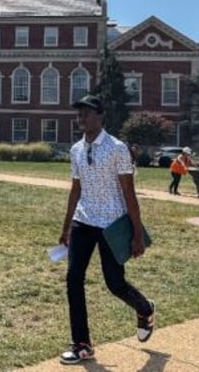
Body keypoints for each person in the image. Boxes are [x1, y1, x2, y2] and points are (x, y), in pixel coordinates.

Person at [58, 95, 155, 365]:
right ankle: (82, 344)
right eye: (79, 114)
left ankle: (144, 308)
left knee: (114, 283)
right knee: (73, 278)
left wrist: (137, 234)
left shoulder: (117, 148)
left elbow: (129, 193)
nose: (82, 119)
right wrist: (66, 227)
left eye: (87, 113)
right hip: (83, 221)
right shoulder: (76, 150)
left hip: (111, 224)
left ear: (100, 116)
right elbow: (75, 189)